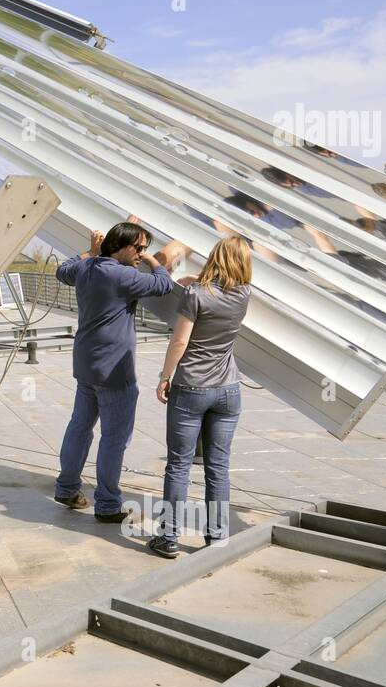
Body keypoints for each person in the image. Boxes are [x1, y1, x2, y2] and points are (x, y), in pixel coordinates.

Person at [54, 221, 176, 521]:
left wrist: (91, 250)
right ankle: (107, 505)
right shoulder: (124, 276)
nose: (141, 254)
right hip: (114, 372)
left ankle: (66, 488)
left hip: (86, 365)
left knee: (79, 427)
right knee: (114, 439)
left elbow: (62, 270)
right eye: (138, 248)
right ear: (120, 246)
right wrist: (152, 261)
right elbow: (164, 284)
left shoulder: (86, 268)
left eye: (144, 250)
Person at [148, 236, 252, 558]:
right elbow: (218, 290)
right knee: (218, 467)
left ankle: (168, 538)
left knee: (178, 466)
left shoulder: (195, 295)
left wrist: (165, 377)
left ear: (214, 257)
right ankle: (217, 538)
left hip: (191, 388)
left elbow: (179, 343)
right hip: (228, 391)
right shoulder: (244, 294)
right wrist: (196, 281)